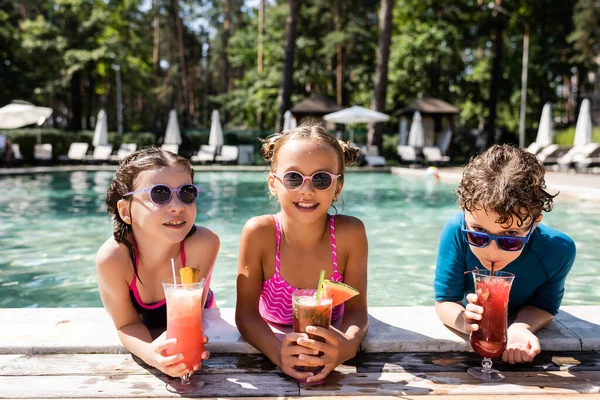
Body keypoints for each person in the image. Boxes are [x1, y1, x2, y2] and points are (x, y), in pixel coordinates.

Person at [236, 124, 369, 384]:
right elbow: (246, 314)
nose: (306, 190)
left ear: (337, 187)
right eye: (294, 178)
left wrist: (346, 346)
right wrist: (277, 352)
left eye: (320, 179)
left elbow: (357, 311)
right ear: (273, 184)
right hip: (274, 332)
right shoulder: (259, 233)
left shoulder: (349, 234)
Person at [434, 144, 576, 364]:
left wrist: (521, 327)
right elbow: (445, 301)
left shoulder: (558, 250)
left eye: (510, 236)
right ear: (465, 212)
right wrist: (465, 321)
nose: (491, 250)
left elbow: (545, 306)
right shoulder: (455, 230)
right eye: (479, 234)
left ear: (534, 222)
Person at [96, 147, 220, 378]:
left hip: (201, 311)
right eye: (160, 194)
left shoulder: (204, 244)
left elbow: (191, 319)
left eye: (187, 193)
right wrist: (152, 355)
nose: (177, 206)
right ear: (125, 210)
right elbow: (126, 324)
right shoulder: (114, 259)